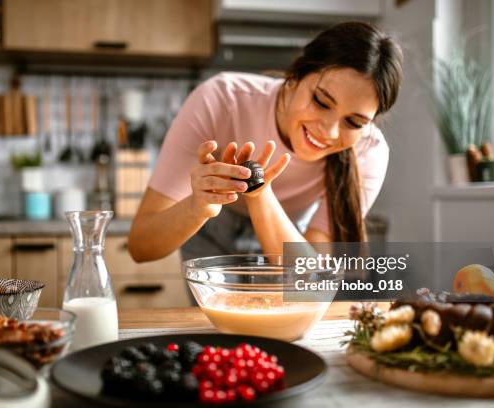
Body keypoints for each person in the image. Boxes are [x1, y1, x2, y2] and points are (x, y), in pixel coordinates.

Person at [128, 21, 403, 263]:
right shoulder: (222, 99)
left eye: (353, 123)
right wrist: (196, 207)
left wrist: (260, 195)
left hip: (288, 234)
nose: (329, 132)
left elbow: (311, 280)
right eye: (321, 102)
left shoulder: (369, 150)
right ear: (295, 76)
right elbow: (141, 247)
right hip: (210, 229)